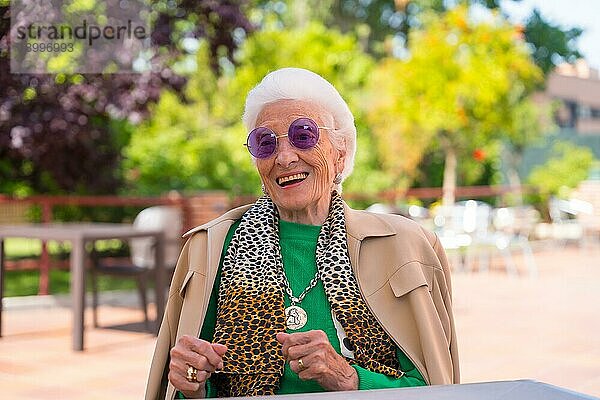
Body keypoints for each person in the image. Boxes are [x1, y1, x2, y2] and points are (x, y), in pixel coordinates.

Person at [145, 67, 459, 399]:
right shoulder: (213, 247)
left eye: (303, 135)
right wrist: (191, 386)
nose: (284, 157)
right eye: (265, 143)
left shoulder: (405, 248)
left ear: (340, 153)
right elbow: (195, 383)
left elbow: (434, 389)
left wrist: (348, 378)